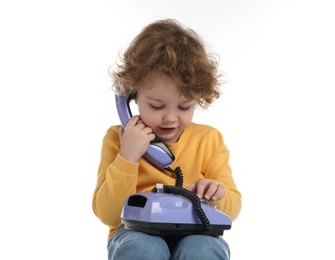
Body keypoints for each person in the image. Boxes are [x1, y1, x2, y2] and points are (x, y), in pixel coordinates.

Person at [92, 19, 241, 260]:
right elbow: (108, 214)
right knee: (145, 249)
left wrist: (216, 193)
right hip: (134, 232)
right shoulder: (118, 138)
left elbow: (233, 209)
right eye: (156, 105)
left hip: (196, 230)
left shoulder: (209, 140)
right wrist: (128, 157)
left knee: (203, 249)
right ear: (131, 96)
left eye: (184, 106)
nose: (170, 118)